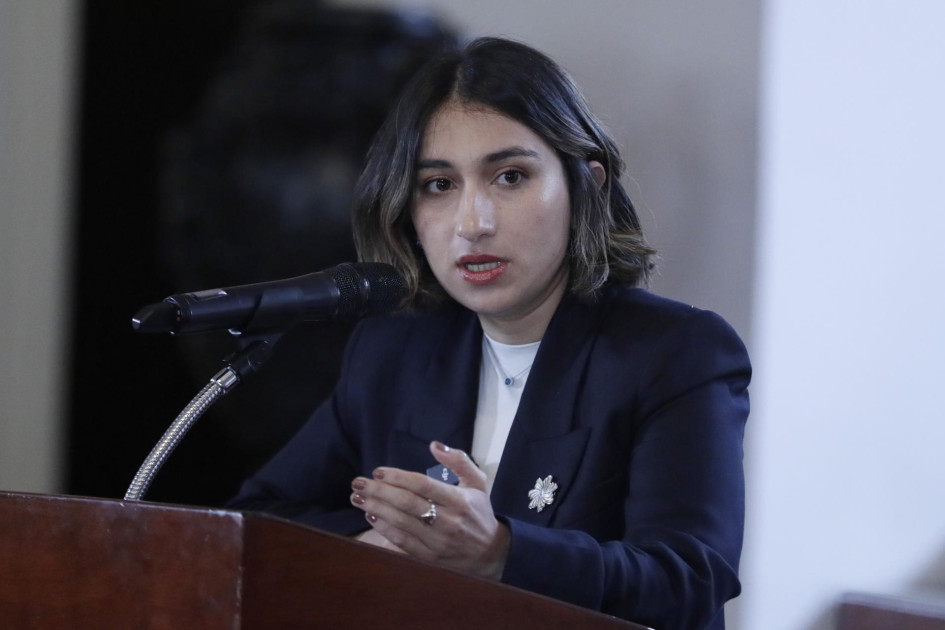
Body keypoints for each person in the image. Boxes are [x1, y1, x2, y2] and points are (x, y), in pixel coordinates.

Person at [228, 37, 751, 630]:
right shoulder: (394, 350)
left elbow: (689, 580)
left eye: (510, 176)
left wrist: (499, 553)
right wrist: (376, 548)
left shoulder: (675, 352)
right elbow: (258, 521)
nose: (473, 223)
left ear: (587, 185)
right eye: (439, 185)